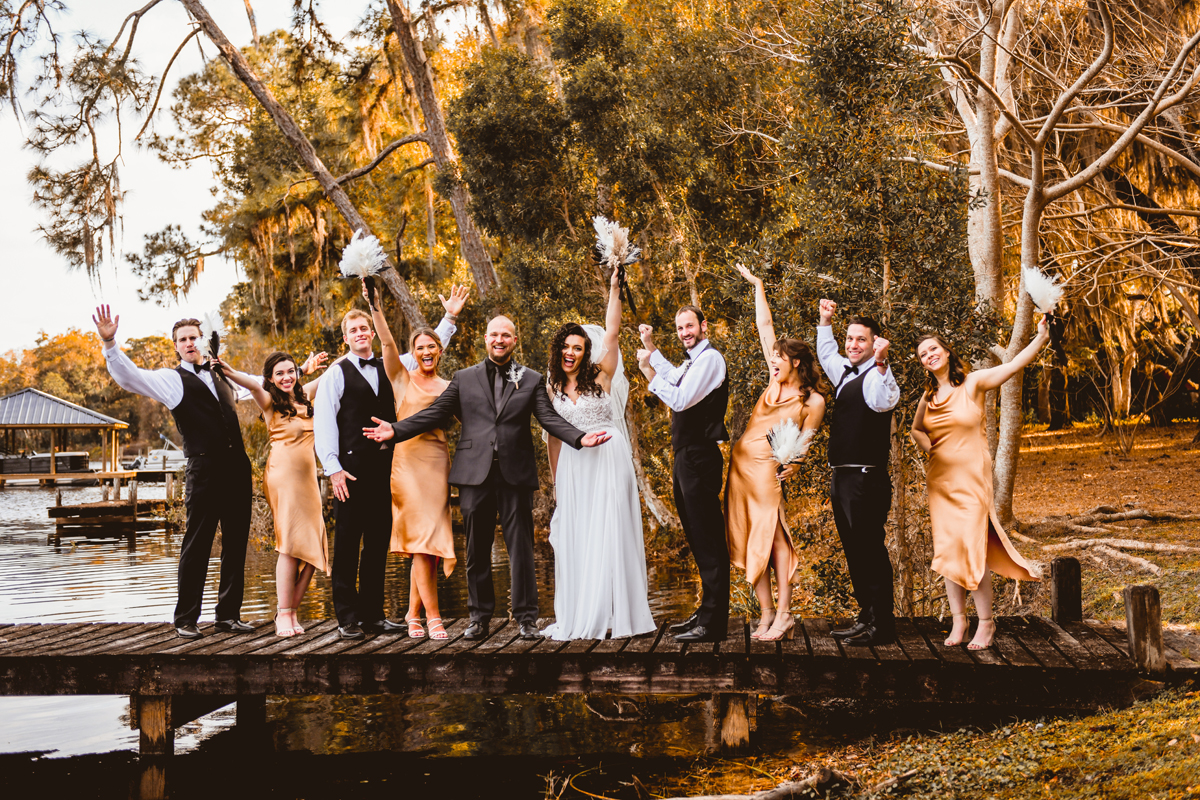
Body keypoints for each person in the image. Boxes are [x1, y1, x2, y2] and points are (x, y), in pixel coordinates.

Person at [363, 315, 610, 641]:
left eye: (506, 335)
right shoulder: (464, 378)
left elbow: (548, 417)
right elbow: (435, 413)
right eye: (494, 334)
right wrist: (395, 430)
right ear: (485, 338)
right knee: (477, 550)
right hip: (473, 474)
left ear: (514, 341)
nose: (499, 340)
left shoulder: (532, 378)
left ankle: (525, 619)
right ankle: (478, 618)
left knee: (520, 549)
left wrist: (579, 438)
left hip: (515, 474)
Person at [92, 306, 256, 639]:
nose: (189, 343)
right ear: (177, 346)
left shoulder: (225, 375)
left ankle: (228, 616)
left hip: (237, 469)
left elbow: (262, 385)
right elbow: (130, 376)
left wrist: (300, 371)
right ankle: (185, 619)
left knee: (237, 543)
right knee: (197, 544)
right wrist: (110, 344)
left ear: (204, 341)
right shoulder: (171, 380)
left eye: (194, 337)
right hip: (205, 470)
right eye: (182, 340)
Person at [315, 299, 460, 641]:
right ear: (346, 339)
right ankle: (347, 618)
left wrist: (450, 316)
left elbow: (430, 347)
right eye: (353, 330)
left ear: (371, 333)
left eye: (364, 328)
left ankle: (373, 616)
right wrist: (333, 469)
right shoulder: (336, 372)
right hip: (348, 472)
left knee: (377, 544)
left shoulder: (392, 366)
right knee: (348, 545)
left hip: (386, 469)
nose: (360, 333)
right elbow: (324, 424)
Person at [911, 323, 1046, 650]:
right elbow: (916, 430)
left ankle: (986, 623)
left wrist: (1041, 337)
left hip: (972, 478)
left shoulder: (973, 383)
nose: (930, 355)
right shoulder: (927, 398)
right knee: (947, 550)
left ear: (946, 351)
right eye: (923, 354)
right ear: (922, 362)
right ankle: (960, 621)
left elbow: (1013, 365)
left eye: (934, 349)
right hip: (941, 480)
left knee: (972, 547)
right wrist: (931, 450)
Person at [540, 269, 655, 641]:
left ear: (585, 351)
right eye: (566, 347)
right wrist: (557, 483)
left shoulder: (601, 375)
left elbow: (613, 332)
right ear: (558, 350)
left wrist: (614, 289)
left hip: (608, 457)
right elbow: (553, 439)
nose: (571, 352)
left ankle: (620, 614)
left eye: (577, 347)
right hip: (574, 466)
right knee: (582, 534)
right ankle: (586, 611)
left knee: (611, 531)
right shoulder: (551, 386)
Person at [725, 265, 826, 641]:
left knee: (776, 539)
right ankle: (765, 614)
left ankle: (785, 614)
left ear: (795, 362)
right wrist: (758, 286)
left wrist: (795, 465)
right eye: (772, 358)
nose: (772, 361)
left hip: (769, 472)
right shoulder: (773, 381)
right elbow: (764, 326)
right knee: (753, 539)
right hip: (739, 472)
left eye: (779, 358)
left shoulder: (812, 400)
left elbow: (807, 441)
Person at [369, 283, 469, 641]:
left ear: (439, 351)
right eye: (419, 347)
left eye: (431, 346)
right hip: (407, 466)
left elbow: (470, 422)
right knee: (425, 541)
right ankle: (435, 618)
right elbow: (386, 345)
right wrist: (376, 307)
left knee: (426, 548)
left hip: (437, 464)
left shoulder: (450, 386)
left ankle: (412, 614)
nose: (426, 351)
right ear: (413, 353)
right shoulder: (400, 377)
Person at [214, 350, 331, 637]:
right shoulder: (269, 401)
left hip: (308, 480)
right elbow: (253, 386)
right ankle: (283, 614)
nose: (286, 377)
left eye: (290, 371)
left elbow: (333, 374)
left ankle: (289, 611)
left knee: (315, 548)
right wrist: (228, 372)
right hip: (283, 477)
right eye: (279, 373)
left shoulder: (305, 397)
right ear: (270, 378)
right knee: (290, 545)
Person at [637, 305, 730, 643]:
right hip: (685, 457)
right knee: (696, 536)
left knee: (707, 538)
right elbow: (675, 376)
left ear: (703, 325)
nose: (684, 332)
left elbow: (679, 399)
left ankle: (715, 621)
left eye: (689, 326)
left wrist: (650, 374)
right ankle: (706, 612)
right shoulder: (694, 362)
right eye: (679, 328)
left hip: (700, 457)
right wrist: (650, 348)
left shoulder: (710, 360)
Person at [815, 300, 900, 647]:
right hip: (843, 477)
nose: (852, 345)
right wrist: (825, 320)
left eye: (860, 340)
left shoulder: (878, 376)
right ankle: (866, 615)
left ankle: (883, 624)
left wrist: (881, 363)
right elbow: (826, 352)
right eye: (849, 339)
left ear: (875, 343)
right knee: (854, 550)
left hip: (866, 478)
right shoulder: (846, 372)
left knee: (870, 550)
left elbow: (885, 402)